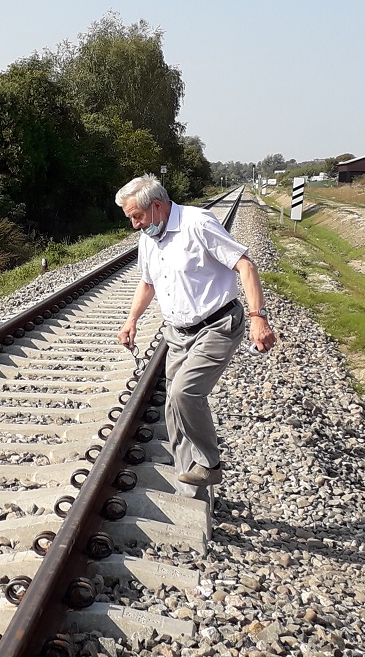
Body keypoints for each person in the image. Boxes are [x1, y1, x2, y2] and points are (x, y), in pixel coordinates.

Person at [115, 174, 276, 490]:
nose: (134, 224)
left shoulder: (196, 223)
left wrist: (259, 317)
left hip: (218, 325)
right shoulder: (149, 239)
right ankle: (188, 479)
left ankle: (210, 464)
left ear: (158, 206)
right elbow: (147, 284)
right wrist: (131, 320)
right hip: (178, 334)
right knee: (173, 407)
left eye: (137, 216)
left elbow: (245, 264)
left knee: (184, 392)